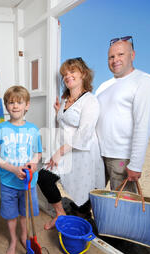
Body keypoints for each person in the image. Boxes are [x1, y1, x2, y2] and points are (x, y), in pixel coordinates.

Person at [37, 57, 105, 230]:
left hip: (83, 152)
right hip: (66, 150)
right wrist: (60, 111)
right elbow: (66, 122)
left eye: (72, 71)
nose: (68, 76)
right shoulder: (65, 101)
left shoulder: (90, 100)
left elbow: (85, 132)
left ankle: (83, 218)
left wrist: (60, 151)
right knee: (44, 177)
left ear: (83, 73)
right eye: (65, 74)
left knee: (84, 188)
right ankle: (61, 214)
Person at [95, 36, 150, 193]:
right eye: (111, 56)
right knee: (93, 199)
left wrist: (136, 164)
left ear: (132, 55)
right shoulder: (104, 86)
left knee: (122, 206)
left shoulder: (144, 81)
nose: (115, 59)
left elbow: (143, 125)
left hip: (121, 157)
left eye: (120, 54)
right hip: (97, 153)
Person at [0, 86, 42, 254]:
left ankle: (24, 236)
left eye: (19, 102)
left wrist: (32, 164)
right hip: (8, 183)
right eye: (11, 102)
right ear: (6, 106)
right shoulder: (0, 129)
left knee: (25, 213)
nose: (15, 106)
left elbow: (37, 153)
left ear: (27, 105)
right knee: (11, 214)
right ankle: (13, 240)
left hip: (28, 183)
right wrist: (13, 169)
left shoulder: (33, 129)